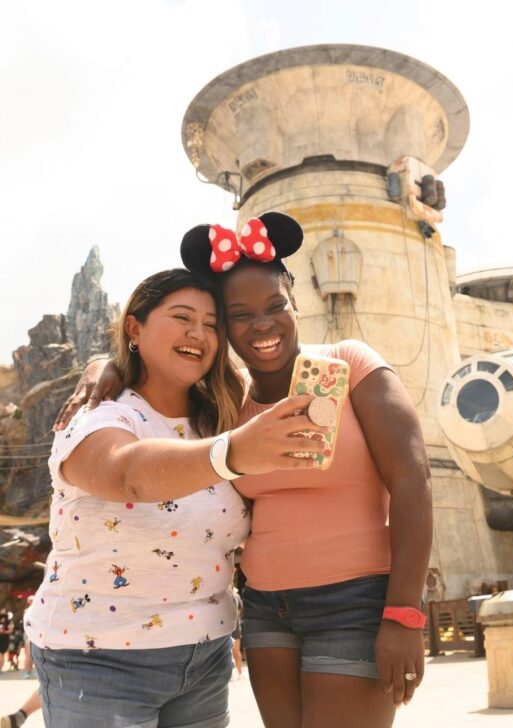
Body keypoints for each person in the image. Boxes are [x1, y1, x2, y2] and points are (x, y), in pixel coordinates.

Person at [64, 212, 433, 728]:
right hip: (266, 611)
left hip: (356, 602)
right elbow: (153, 382)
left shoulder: (353, 365)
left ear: (295, 303)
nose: (261, 324)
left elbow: (414, 481)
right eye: (238, 315)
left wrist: (404, 613)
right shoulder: (223, 402)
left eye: (275, 305)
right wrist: (105, 367)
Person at [26, 267, 327, 728]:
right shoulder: (98, 416)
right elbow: (127, 474)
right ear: (134, 327)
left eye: (211, 324)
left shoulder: (222, 417)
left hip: (205, 658)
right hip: (98, 658)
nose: (198, 334)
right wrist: (234, 452)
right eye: (182, 317)